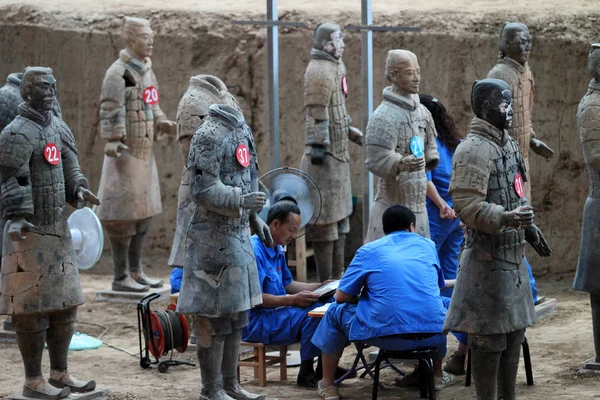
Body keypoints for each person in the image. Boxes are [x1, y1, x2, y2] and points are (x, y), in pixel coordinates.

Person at [445, 78, 551, 400]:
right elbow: (465, 205)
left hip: (513, 261)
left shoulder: (509, 145)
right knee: (488, 341)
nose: (512, 111)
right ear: (488, 107)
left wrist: (527, 227)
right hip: (484, 265)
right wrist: (506, 219)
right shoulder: (471, 149)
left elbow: (517, 192)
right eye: (506, 104)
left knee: (514, 335)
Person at [0, 67, 99, 399]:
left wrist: (80, 190)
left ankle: (60, 373)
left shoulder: (58, 126)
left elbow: (70, 168)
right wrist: (16, 216)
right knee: (30, 309)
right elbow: (11, 178)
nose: (51, 92)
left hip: (59, 230)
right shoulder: (16, 132)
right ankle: (33, 380)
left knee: (65, 305)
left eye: (53, 86)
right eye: (43, 87)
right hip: (27, 232)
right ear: (27, 91)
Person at [312, 205, 456, 400]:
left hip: (386, 337)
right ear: (411, 227)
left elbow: (341, 297)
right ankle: (436, 375)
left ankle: (327, 384)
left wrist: (364, 297)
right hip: (432, 335)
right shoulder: (428, 245)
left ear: (384, 229)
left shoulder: (368, 251)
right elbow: (437, 286)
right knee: (439, 305)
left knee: (334, 312)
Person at [177, 104, 272, 400]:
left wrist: (255, 219)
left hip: (239, 234)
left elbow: (249, 172)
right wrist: (243, 201)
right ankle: (211, 389)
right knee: (213, 317)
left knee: (237, 314)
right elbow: (202, 190)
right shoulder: (208, 135)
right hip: (211, 237)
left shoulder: (241, 129)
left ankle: (231, 384)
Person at [96, 16, 176, 292]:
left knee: (145, 214)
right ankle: (120, 277)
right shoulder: (117, 74)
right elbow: (110, 108)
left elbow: (151, 103)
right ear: (130, 40)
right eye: (144, 36)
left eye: (151, 36)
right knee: (122, 218)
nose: (150, 41)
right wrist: (113, 139)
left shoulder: (146, 71)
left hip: (145, 153)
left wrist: (162, 120)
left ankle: (135, 271)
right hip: (125, 155)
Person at [487, 22, 554, 305]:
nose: (525, 46)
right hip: (506, 160)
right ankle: (524, 289)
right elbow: (495, 118)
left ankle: (526, 288)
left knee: (525, 219)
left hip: (521, 158)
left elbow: (524, 116)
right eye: (518, 41)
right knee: (517, 221)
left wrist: (533, 140)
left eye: (528, 41)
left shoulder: (525, 72)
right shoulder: (500, 74)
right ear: (504, 44)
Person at [243, 200, 336, 388]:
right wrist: (293, 301)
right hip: (259, 320)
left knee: (331, 304)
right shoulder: (254, 250)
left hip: (279, 313)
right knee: (314, 315)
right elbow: (256, 299)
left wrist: (321, 286)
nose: (294, 235)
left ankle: (323, 368)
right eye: (291, 230)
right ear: (275, 224)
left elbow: (288, 283)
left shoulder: (276, 247)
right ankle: (307, 372)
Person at [300, 22, 363, 280]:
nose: (343, 44)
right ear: (327, 44)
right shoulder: (318, 70)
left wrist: (350, 131)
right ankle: (327, 281)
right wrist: (318, 145)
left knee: (342, 219)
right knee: (325, 224)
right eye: (339, 40)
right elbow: (317, 113)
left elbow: (338, 110)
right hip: (323, 159)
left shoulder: (337, 66)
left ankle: (340, 276)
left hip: (339, 156)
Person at [365, 50, 439, 241]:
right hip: (391, 210)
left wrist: (427, 160)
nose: (416, 78)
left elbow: (431, 148)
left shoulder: (422, 112)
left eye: (418, 71)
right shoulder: (383, 116)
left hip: (419, 210)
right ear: (393, 76)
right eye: (409, 73)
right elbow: (374, 160)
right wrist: (402, 163)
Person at [418, 94, 469, 375]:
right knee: (450, 278)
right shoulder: (455, 143)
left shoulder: (429, 144)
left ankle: (431, 342)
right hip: (454, 219)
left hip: (437, 218)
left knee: (428, 277)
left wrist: (442, 207)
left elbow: (426, 181)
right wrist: (458, 210)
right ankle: (461, 342)